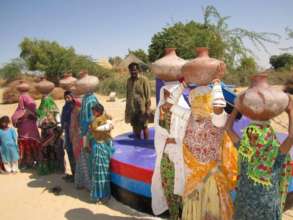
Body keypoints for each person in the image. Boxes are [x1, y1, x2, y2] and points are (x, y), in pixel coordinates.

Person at [226, 99, 293, 220]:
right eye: (250, 137)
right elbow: (228, 129)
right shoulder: (246, 151)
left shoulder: (273, 155)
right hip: (250, 208)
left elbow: (291, 136)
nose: (252, 141)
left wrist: (290, 112)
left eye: (256, 137)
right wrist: (236, 107)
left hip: (257, 210)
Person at [151, 82, 188, 219]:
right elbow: (160, 132)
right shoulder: (161, 110)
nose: (167, 97)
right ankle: (173, 215)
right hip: (165, 154)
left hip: (181, 155)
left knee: (182, 189)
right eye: (165, 94)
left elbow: (188, 133)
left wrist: (176, 140)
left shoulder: (184, 110)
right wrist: (167, 138)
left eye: (170, 94)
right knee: (169, 187)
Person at [88, 103, 114, 203]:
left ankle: (102, 196)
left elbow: (110, 126)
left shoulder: (100, 120)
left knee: (101, 171)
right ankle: (101, 195)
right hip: (99, 146)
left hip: (101, 146)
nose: (93, 112)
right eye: (93, 110)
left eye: (95, 110)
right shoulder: (96, 120)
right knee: (100, 171)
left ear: (99, 111)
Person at [12, 87, 41, 169]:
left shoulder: (28, 111)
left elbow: (39, 116)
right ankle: (28, 163)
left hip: (31, 134)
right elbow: (14, 120)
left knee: (31, 148)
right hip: (26, 135)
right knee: (27, 149)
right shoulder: (22, 110)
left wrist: (32, 116)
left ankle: (33, 163)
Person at [37, 94, 65, 175]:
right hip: (45, 133)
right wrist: (42, 121)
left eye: (46, 100)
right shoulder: (40, 110)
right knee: (45, 150)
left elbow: (58, 120)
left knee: (55, 150)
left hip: (53, 133)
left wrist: (59, 128)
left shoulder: (54, 109)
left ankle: (57, 168)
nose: (44, 102)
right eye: (43, 100)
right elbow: (38, 123)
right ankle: (48, 168)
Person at [125, 62, 151, 139]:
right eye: (131, 70)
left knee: (144, 126)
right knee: (135, 127)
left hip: (141, 109)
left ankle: (146, 145)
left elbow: (148, 96)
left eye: (134, 70)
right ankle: (137, 145)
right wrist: (127, 109)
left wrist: (148, 109)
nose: (133, 72)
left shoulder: (144, 80)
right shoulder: (128, 81)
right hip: (132, 109)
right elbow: (128, 95)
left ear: (138, 70)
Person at [61, 91, 76, 181]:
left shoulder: (75, 107)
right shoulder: (65, 107)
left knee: (75, 154)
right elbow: (63, 119)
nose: (67, 99)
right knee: (69, 153)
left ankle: (77, 176)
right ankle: (73, 174)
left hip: (75, 135)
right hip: (67, 134)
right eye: (65, 98)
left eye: (68, 97)